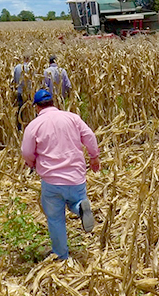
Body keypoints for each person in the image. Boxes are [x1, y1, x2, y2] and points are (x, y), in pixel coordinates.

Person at [21, 89, 100, 261]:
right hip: (76, 176)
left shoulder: (34, 125)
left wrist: (32, 163)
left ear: (36, 107)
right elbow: (89, 137)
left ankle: (62, 255)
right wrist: (94, 157)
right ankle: (80, 207)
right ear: (53, 102)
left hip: (51, 180)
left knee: (55, 218)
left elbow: (26, 151)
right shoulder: (72, 118)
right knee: (75, 200)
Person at [12, 54, 32, 130]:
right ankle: (29, 126)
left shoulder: (17, 67)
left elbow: (14, 80)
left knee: (20, 110)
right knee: (29, 110)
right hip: (29, 93)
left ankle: (20, 127)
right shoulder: (31, 68)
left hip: (20, 92)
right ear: (29, 59)